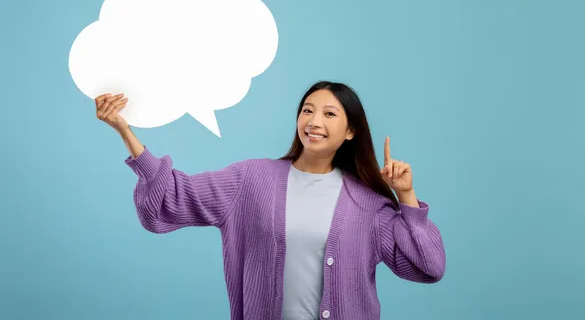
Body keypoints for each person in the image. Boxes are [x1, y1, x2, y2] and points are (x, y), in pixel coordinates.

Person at [96, 81, 446, 320]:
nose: (314, 121)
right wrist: (126, 131)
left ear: (350, 131)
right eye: (308, 110)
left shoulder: (367, 205)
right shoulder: (251, 180)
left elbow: (428, 267)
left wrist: (406, 196)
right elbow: (172, 196)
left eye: (329, 114)